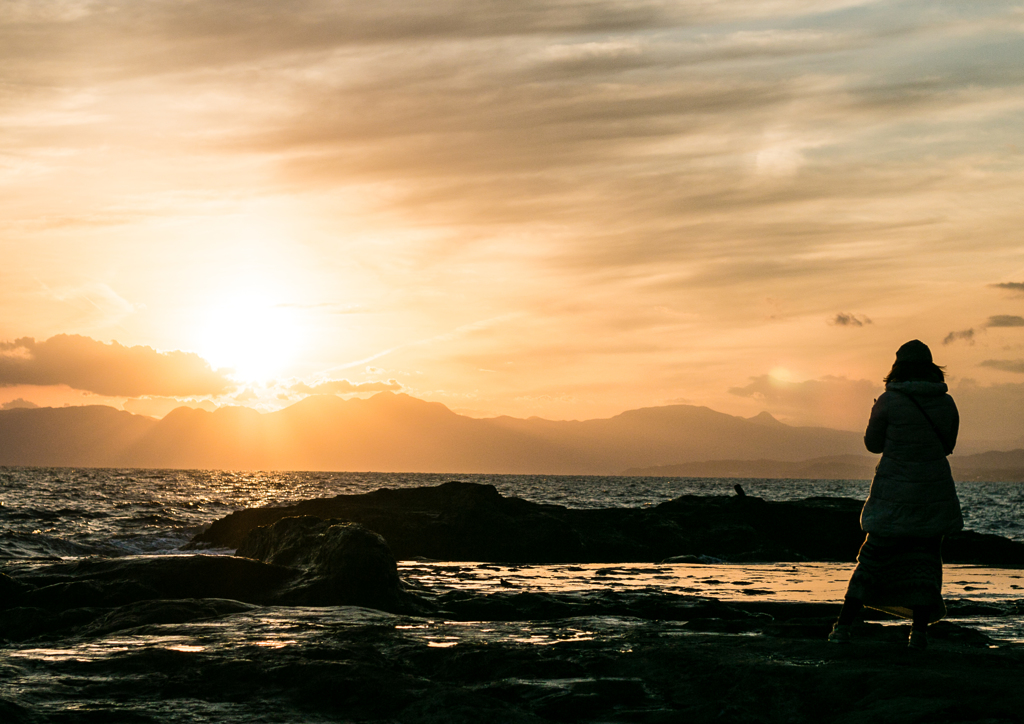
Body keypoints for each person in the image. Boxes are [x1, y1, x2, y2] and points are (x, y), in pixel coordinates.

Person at [828, 339, 963, 650]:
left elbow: (873, 444)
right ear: (932, 368)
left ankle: (843, 628)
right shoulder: (947, 402)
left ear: (897, 367)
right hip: (932, 492)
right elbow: (948, 446)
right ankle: (919, 634)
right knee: (925, 562)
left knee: (873, 559)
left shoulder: (889, 401)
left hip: (893, 493)